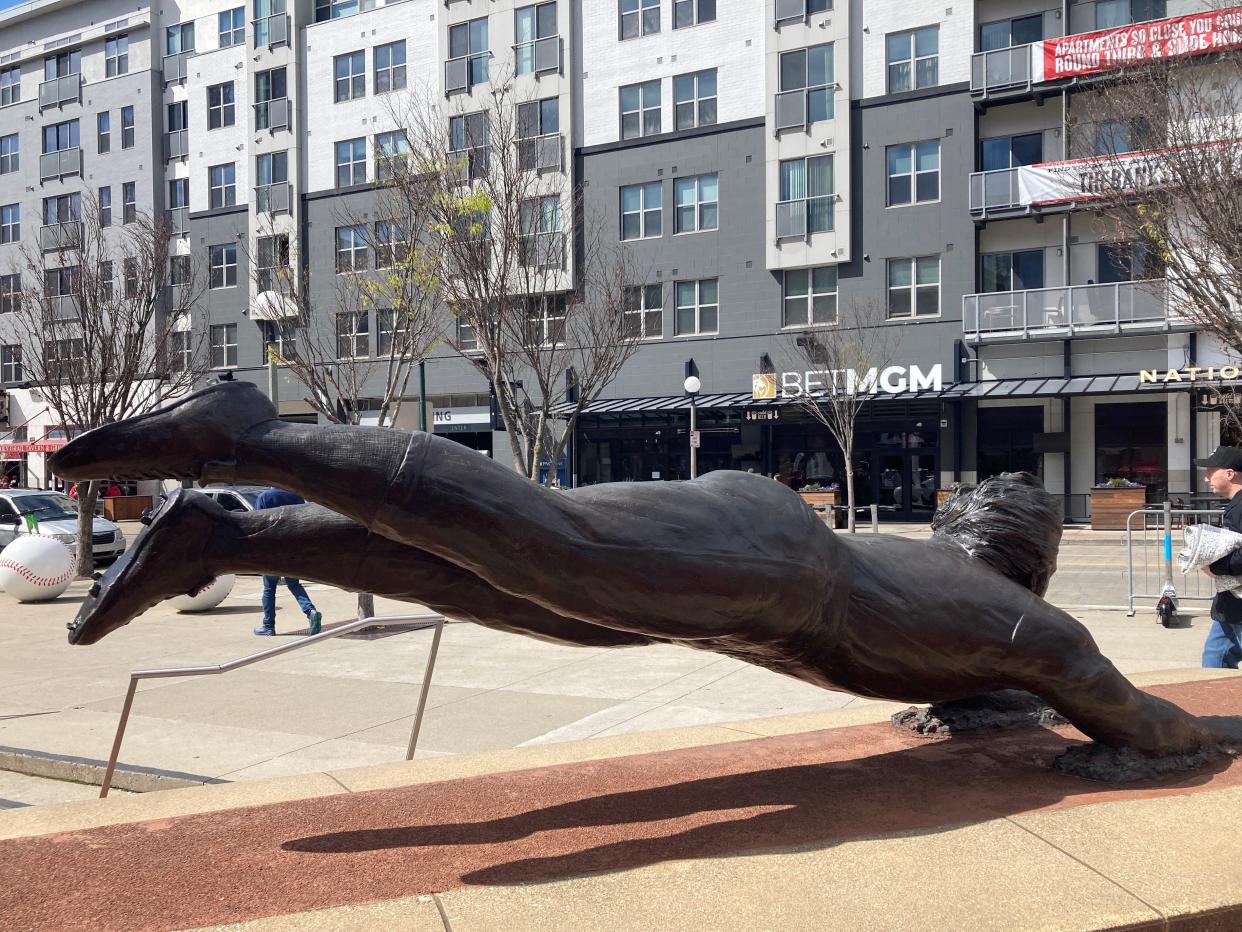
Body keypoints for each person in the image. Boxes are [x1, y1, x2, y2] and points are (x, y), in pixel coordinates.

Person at [50, 380, 1221, 761]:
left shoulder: (972, 636)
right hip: (777, 577)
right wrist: (1215, 735)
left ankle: (224, 535)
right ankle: (248, 431)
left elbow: (999, 700)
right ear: (1032, 560)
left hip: (752, 593)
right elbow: (1138, 714)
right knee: (547, 546)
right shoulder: (1026, 628)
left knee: (501, 575)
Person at [252, 486, 323, 637]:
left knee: (269, 589)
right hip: (292, 549)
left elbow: (257, 523)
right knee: (294, 584)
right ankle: (311, 612)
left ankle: (268, 625)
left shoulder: (264, 497)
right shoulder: (297, 497)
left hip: (271, 550)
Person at [1197, 446, 1242, 667]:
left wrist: (1216, 567)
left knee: (1214, 663)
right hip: (1231, 603)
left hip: (1238, 601)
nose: (1206, 478)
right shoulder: (1236, 505)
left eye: (1210, 471)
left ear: (1230, 474)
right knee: (1214, 661)